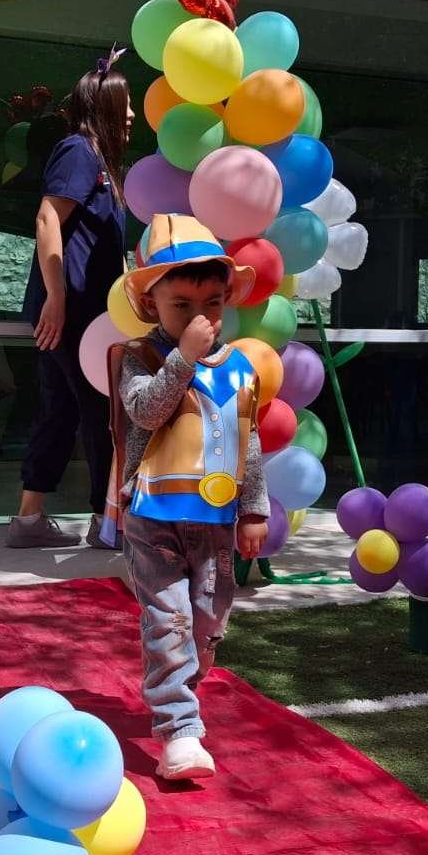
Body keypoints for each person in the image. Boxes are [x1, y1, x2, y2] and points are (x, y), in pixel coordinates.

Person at [106, 213, 266, 780]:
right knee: (168, 621)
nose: (200, 317)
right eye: (182, 305)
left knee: (205, 625)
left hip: (215, 521)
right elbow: (146, 410)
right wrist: (184, 358)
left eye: (212, 303)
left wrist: (253, 509)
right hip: (153, 517)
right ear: (152, 304)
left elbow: (248, 440)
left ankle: (183, 691)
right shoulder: (140, 357)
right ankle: (179, 729)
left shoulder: (240, 367)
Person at [8, 49, 132, 550]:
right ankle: (105, 521)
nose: (131, 115)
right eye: (124, 105)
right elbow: (47, 219)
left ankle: (28, 519)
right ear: (103, 107)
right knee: (101, 412)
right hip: (75, 311)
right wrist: (56, 297)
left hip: (85, 311)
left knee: (59, 411)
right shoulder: (80, 151)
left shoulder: (100, 161)